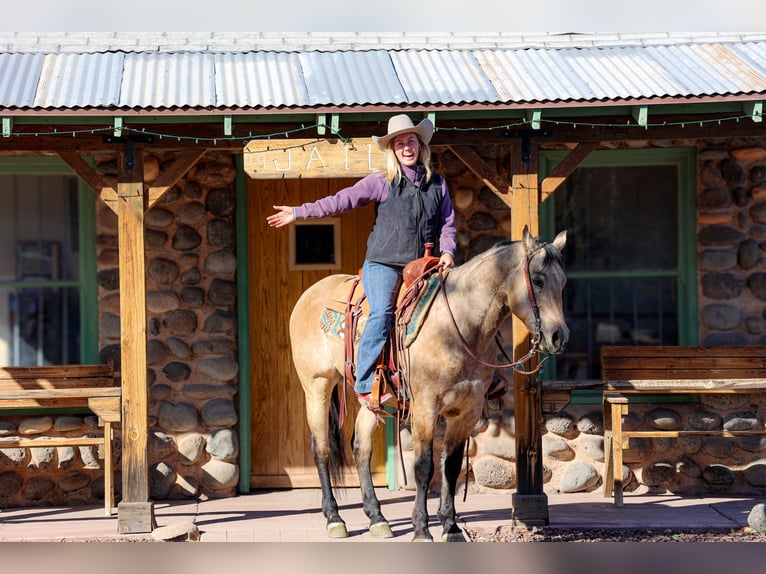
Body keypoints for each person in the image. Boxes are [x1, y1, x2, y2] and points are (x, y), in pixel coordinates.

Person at [267, 114, 456, 410]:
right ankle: (366, 381)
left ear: (421, 146)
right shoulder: (382, 182)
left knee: (452, 312)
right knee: (382, 312)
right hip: (384, 265)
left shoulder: (438, 185)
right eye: (400, 143)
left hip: (424, 267)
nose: (407, 147)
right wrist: (299, 212)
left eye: (411, 141)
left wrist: (448, 252)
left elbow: (447, 224)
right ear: (393, 150)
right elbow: (341, 200)